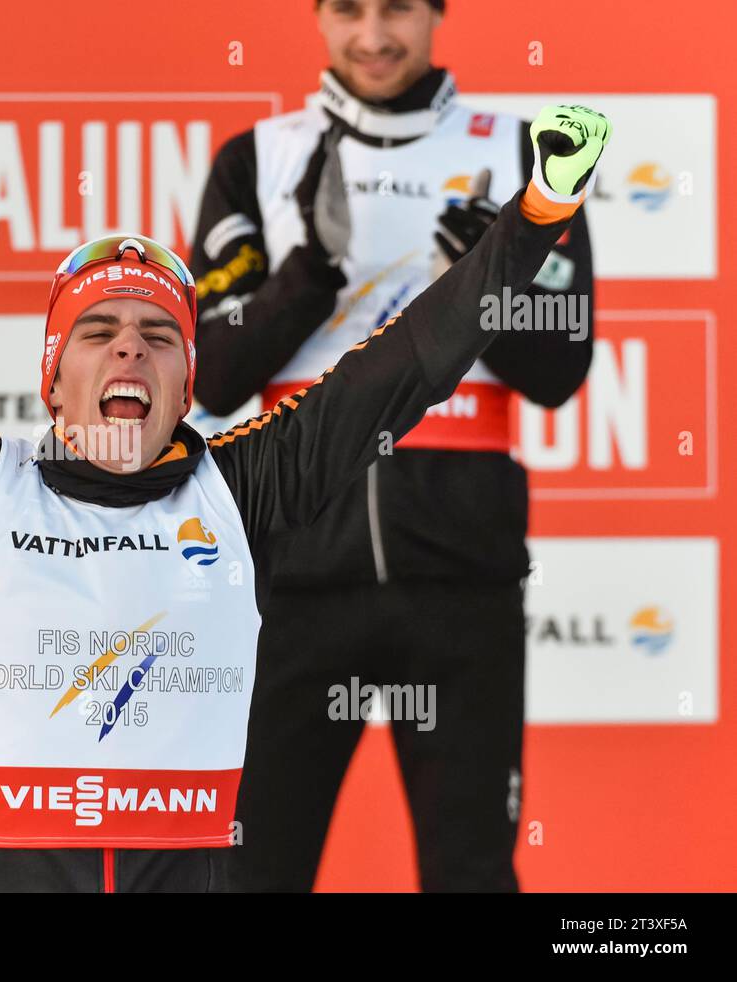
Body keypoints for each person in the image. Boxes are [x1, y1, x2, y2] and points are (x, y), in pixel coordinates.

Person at [0, 41, 607, 892]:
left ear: (191, 382)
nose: (130, 352)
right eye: (98, 332)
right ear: (54, 376)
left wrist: (536, 213)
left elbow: (409, 364)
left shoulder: (246, 490)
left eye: (158, 335)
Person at [189, 0, 596, 892]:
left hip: (459, 583)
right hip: (292, 582)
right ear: (318, 17)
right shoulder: (257, 159)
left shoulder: (526, 155)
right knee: (254, 874)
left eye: (400, 9)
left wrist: (488, 279)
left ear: (440, 12)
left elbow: (561, 370)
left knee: (472, 875)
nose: (374, 36)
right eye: (349, 10)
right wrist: (307, 279)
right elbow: (210, 376)